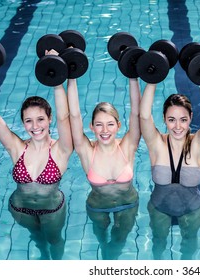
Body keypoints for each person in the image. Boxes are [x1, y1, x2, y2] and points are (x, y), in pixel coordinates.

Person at [0, 51, 73, 260]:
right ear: (23, 123)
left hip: (52, 211)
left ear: (49, 119)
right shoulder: (17, 148)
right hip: (20, 209)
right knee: (37, 239)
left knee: (55, 241)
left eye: (40, 119)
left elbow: (66, 118)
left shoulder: (61, 150)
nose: (35, 126)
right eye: (28, 121)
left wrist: (57, 79)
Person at [140, 83, 200, 259]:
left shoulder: (198, 144)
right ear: (164, 119)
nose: (177, 126)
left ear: (191, 117)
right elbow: (144, 116)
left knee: (188, 247)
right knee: (158, 245)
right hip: (159, 209)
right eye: (171, 119)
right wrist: (152, 80)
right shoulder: (156, 144)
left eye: (183, 119)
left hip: (192, 211)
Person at [67, 77, 141, 260]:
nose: (104, 130)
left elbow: (137, 114)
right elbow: (74, 116)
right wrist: (71, 77)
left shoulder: (127, 146)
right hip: (97, 207)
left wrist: (133, 77)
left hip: (128, 204)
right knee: (101, 239)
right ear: (91, 127)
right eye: (99, 124)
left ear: (118, 126)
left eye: (110, 124)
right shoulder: (86, 151)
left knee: (118, 242)